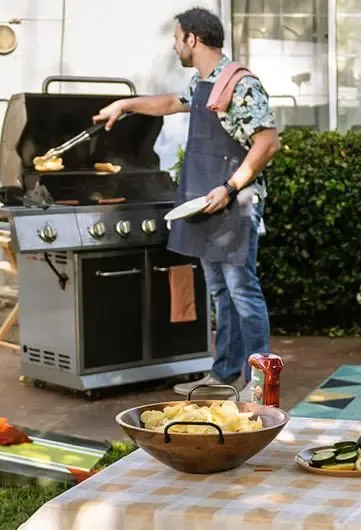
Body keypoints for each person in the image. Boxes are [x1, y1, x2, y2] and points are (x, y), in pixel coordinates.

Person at [92, 8, 280, 397]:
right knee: (220, 292)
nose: (174, 45)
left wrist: (228, 188)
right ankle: (225, 374)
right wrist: (124, 105)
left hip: (235, 201)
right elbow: (168, 103)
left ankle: (260, 384)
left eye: (177, 38)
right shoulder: (203, 83)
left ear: (193, 39)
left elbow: (267, 143)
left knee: (242, 289)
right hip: (206, 203)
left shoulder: (240, 84)